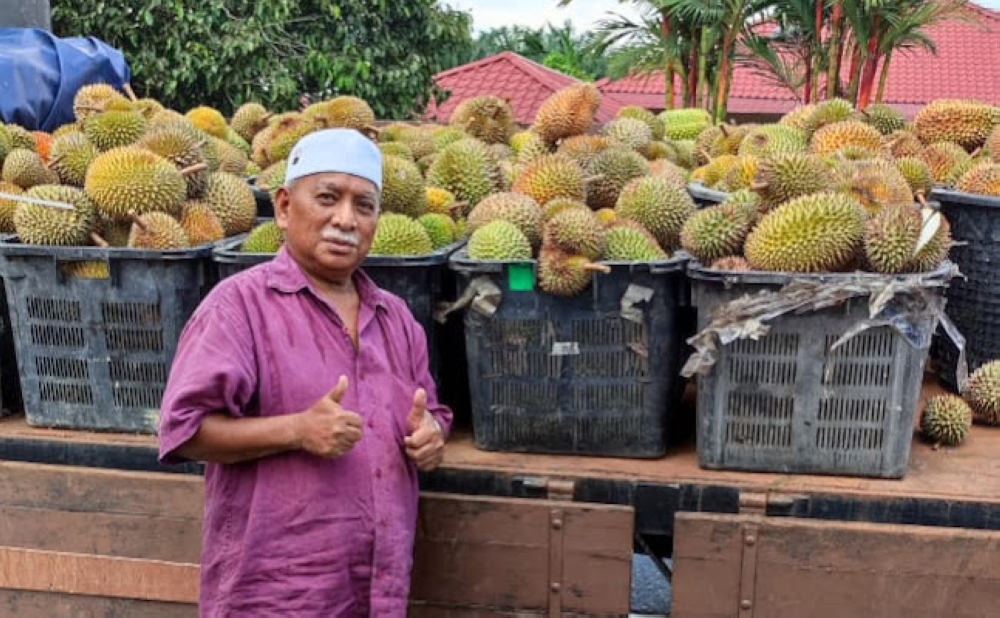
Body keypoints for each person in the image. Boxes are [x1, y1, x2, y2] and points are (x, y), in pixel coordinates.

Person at [157, 127, 452, 617]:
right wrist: (297, 429)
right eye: (328, 198)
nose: (345, 220)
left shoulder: (397, 318)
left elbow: (432, 410)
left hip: (376, 593)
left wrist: (432, 434)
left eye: (364, 205)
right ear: (284, 206)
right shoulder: (238, 307)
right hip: (274, 597)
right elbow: (184, 431)